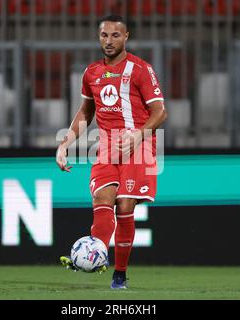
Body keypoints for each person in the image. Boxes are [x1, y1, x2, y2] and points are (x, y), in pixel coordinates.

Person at [56, 15, 167, 289]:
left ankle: (119, 273)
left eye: (115, 35)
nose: (108, 41)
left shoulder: (141, 69)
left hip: (138, 146)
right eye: (104, 35)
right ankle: (95, 255)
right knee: (102, 199)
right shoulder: (91, 73)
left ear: (126, 36)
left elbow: (160, 113)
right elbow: (85, 112)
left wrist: (138, 135)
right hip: (106, 147)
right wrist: (65, 142)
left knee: (125, 205)